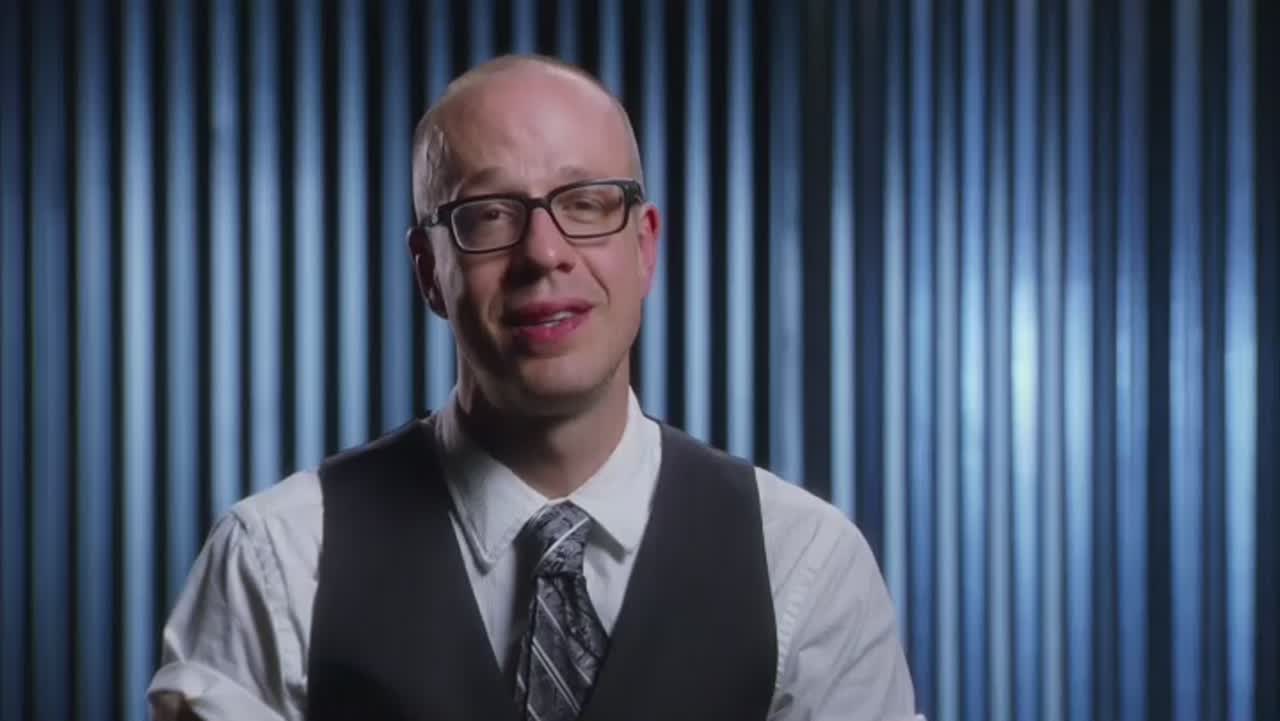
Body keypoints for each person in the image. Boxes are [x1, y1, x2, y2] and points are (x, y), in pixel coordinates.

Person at [148, 54, 922, 721]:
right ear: (429, 271)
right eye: (489, 214)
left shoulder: (806, 566)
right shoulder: (277, 563)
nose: (544, 252)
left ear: (645, 247)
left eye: (586, 202)